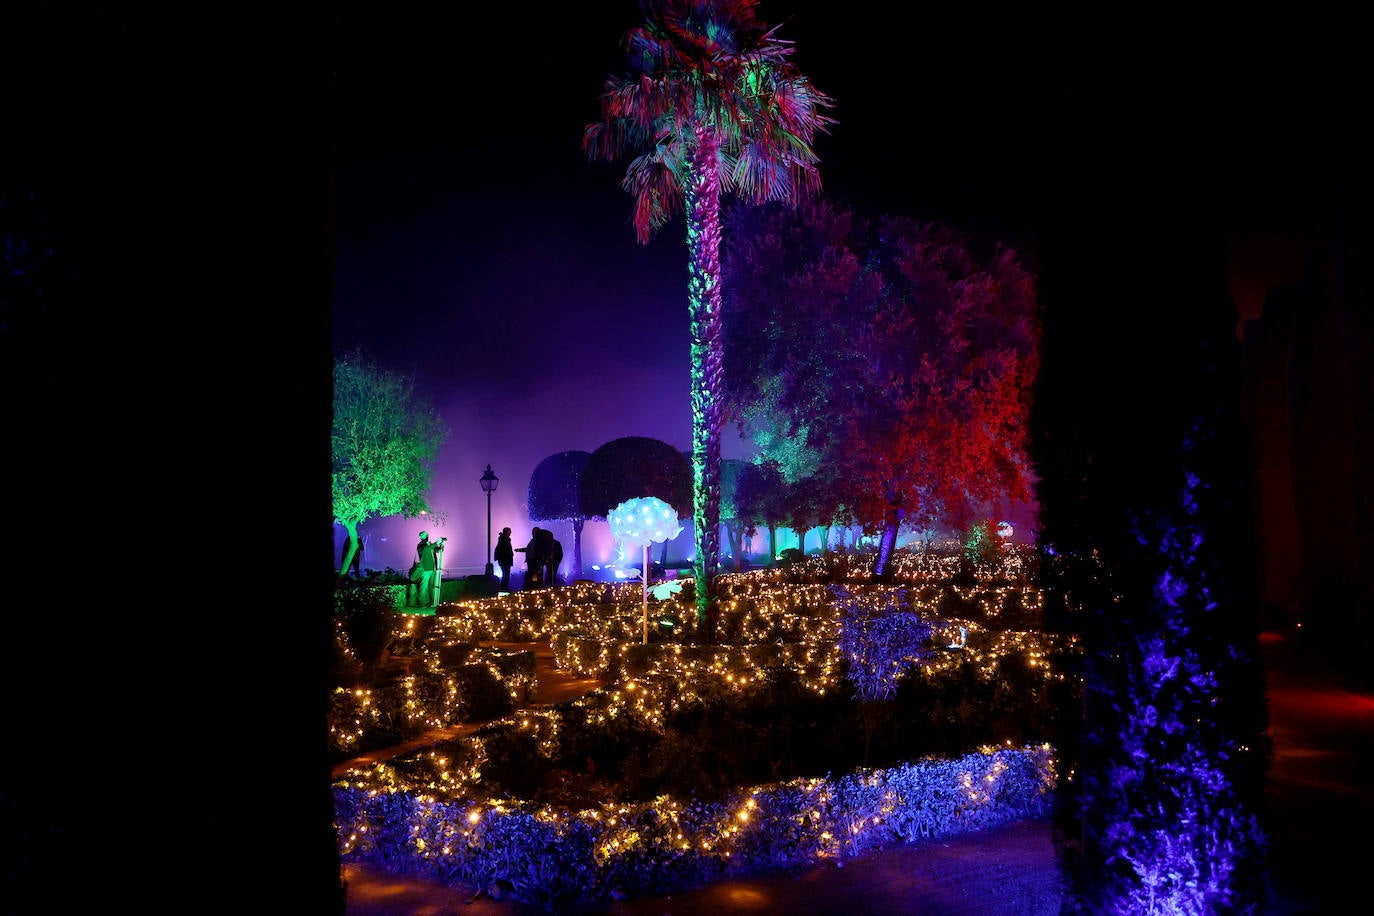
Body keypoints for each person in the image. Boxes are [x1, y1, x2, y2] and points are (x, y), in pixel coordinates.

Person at [494, 526, 515, 592]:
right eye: (509, 531)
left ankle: (504, 588)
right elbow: (504, 550)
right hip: (505, 560)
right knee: (506, 575)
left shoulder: (503, 539)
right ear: (507, 532)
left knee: (505, 575)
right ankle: (504, 589)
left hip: (504, 560)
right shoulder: (504, 540)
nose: (511, 532)